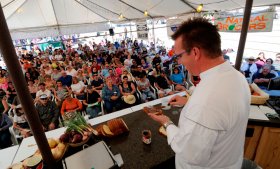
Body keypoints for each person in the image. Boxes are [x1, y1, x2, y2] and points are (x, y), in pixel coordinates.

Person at [148, 18, 250, 169]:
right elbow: (217, 116)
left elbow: (189, 153)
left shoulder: (206, 100)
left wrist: (166, 122)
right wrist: (188, 102)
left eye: (179, 56)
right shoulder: (238, 78)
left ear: (195, 52)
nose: (179, 62)